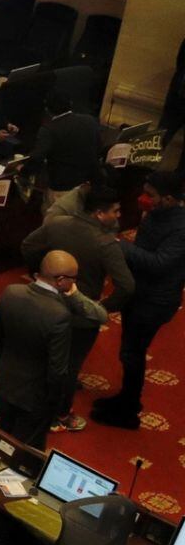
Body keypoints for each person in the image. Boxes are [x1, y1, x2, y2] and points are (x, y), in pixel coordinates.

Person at [23, 182, 132, 431]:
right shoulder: (106, 244)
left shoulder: (57, 223)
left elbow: (28, 246)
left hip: (46, 304)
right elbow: (126, 286)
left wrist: (41, 277)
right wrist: (102, 306)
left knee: (44, 357)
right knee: (69, 368)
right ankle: (60, 415)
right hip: (81, 317)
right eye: (115, 211)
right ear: (99, 213)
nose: (118, 215)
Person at [95, 170, 185, 428]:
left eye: (151, 195)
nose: (144, 198)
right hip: (139, 293)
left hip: (154, 302)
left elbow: (159, 263)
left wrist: (120, 245)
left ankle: (128, 411)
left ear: (168, 199)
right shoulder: (158, 214)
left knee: (132, 353)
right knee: (129, 351)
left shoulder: (181, 228)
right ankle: (125, 398)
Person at [0, 249, 95, 447]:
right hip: (36, 398)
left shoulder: (11, 292)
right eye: (73, 278)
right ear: (61, 280)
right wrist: (54, 404)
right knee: (25, 452)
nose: (75, 284)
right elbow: (58, 371)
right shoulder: (60, 315)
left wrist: (4, 366)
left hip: (4, 384)